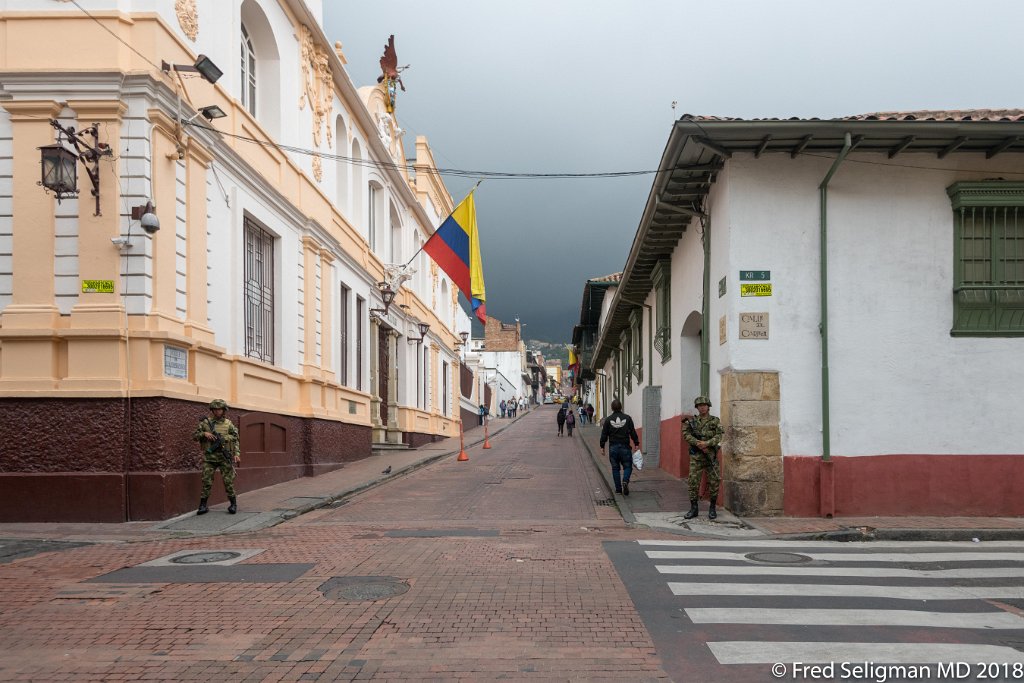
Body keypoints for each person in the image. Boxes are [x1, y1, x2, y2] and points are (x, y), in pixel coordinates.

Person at [193, 398, 241, 515]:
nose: (217, 412)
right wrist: (204, 434)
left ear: (224, 410)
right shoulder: (205, 423)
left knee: (228, 481)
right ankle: (203, 505)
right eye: (215, 409)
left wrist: (236, 454)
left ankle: (233, 504)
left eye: (220, 409)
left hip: (224, 457)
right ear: (212, 410)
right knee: (206, 481)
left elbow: (235, 438)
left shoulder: (228, 424)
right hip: (210, 458)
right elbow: (195, 436)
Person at [683, 395, 724, 520]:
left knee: (714, 481)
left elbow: (719, 436)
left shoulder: (715, 421)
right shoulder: (691, 422)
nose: (702, 408)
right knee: (693, 482)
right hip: (696, 457)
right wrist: (698, 443)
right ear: (697, 408)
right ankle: (693, 508)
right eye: (700, 406)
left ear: (708, 406)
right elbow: (686, 434)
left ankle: (712, 508)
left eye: (704, 405)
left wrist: (707, 443)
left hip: (710, 455)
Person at [599, 399, 639, 496]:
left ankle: (618, 489)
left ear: (612, 408)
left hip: (613, 447)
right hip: (625, 446)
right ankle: (625, 481)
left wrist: (602, 446)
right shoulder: (627, 418)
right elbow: (632, 432)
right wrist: (636, 443)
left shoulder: (608, 420)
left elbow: (604, 434)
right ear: (621, 407)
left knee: (615, 468)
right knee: (628, 466)